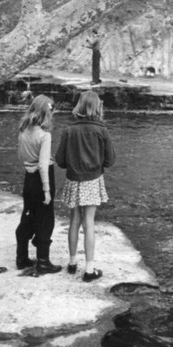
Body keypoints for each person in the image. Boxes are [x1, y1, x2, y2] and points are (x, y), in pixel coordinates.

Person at [55, 91, 116, 282]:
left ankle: (72, 263)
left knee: (74, 219)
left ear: (80, 106)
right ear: (97, 107)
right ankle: (89, 270)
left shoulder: (69, 130)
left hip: (73, 179)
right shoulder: (102, 130)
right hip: (92, 179)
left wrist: (73, 164)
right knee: (89, 223)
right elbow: (110, 160)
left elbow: (60, 160)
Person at [15, 95, 62, 275]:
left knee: (28, 215)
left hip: (28, 178)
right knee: (45, 219)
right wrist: (47, 190)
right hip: (42, 180)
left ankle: (22, 258)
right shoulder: (45, 135)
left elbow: (21, 156)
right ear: (46, 112)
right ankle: (43, 262)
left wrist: (30, 165)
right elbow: (43, 164)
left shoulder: (23, 130)